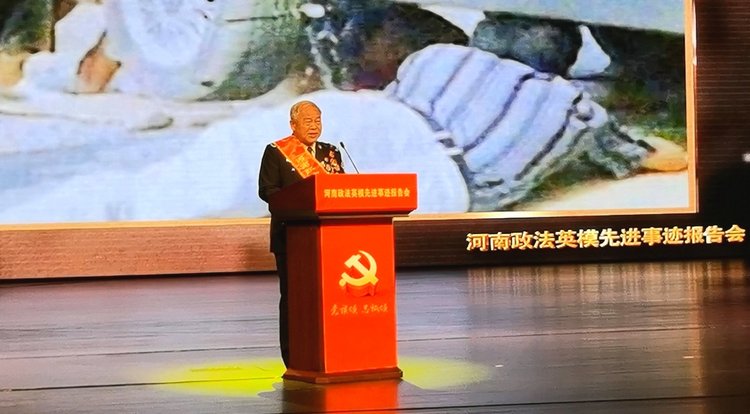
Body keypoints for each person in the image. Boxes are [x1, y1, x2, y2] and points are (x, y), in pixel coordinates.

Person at [257, 100, 344, 366]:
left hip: (327, 238)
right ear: (293, 125)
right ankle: (293, 357)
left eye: (317, 120)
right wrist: (297, 202)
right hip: (291, 237)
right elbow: (267, 191)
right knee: (294, 299)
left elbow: (340, 191)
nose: (314, 126)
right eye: (308, 121)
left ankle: (330, 352)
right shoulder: (276, 152)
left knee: (328, 298)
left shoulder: (331, 152)